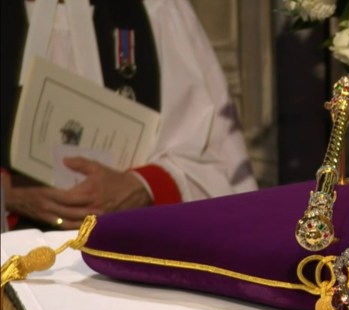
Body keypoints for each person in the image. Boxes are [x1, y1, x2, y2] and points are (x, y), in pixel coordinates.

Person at [0, 0, 258, 231]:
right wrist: (10, 194)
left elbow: (215, 156)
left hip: (135, 255)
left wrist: (141, 186)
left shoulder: (157, 8)